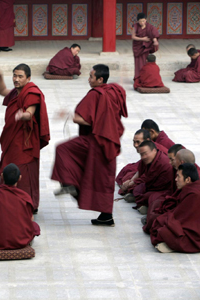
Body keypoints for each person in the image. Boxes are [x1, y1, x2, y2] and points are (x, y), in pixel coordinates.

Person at [51, 64, 128, 226]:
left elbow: (85, 119)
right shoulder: (114, 91)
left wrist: (70, 115)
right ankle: (106, 216)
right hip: (110, 141)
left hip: (96, 140)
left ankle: (69, 184)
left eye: (91, 77)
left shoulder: (96, 94)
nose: (88, 79)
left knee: (63, 149)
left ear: (100, 79)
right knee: (104, 178)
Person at [0, 64, 50, 212]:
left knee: (24, 172)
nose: (16, 79)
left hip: (25, 142)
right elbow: (2, 91)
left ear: (28, 78)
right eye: (14, 76)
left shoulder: (31, 93)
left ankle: (28, 204)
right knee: (8, 168)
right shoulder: (16, 93)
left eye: (20, 76)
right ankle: (8, 202)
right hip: (12, 140)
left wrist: (22, 115)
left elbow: (30, 111)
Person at [149, 163, 200, 253]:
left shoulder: (194, 195)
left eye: (178, 177)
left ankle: (172, 246)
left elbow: (180, 219)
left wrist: (164, 219)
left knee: (161, 229)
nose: (176, 179)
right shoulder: (198, 187)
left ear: (188, 179)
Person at [120, 141, 173, 214]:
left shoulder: (164, 163)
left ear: (154, 150)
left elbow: (161, 184)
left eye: (145, 154)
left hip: (163, 190)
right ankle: (142, 201)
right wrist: (131, 181)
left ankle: (148, 208)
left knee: (151, 197)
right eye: (141, 155)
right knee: (137, 188)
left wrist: (134, 183)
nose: (143, 157)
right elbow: (141, 172)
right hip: (150, 186)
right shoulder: (148, 160)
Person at [116, 129, 167, 194]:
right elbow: (142, 167)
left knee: (138, 187)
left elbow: (149, 174)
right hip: (149, 174)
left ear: (148, 140)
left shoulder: (155, 151)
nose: (135, 145)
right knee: (127, 170)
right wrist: (131, 181)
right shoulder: (148, 149)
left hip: (159, 178)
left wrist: (132, 182)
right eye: (134, 142)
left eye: (138, 142)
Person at [132, 13, 159, 79]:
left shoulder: (150, 27)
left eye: (143, 21)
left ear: (146, 20)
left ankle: (146, 77)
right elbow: (133, 36)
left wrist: (155, 41)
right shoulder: (135, 26)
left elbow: (153, 35)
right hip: (138, 47)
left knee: (146, 62)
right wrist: (143, 39)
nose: (142, 22)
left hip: (146, 47)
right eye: (140, 21)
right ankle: (138, 77)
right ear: (138, 21)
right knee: (138, 63)